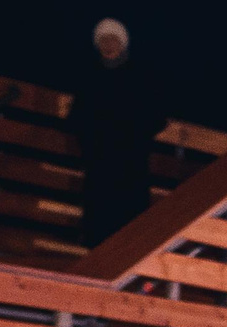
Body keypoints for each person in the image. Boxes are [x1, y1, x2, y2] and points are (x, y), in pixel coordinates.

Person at [71, 19, 165, 249]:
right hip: (99, 159)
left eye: (112, 39)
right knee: (98, 217)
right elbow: (77, 117)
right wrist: (90, 141)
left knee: (129, 217)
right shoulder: (90, 76)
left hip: (130, 159)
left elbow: (156, 116)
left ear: (122, 43)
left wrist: (134, 136)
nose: (108, 44)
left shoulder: (139, 75)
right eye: (103, 40)